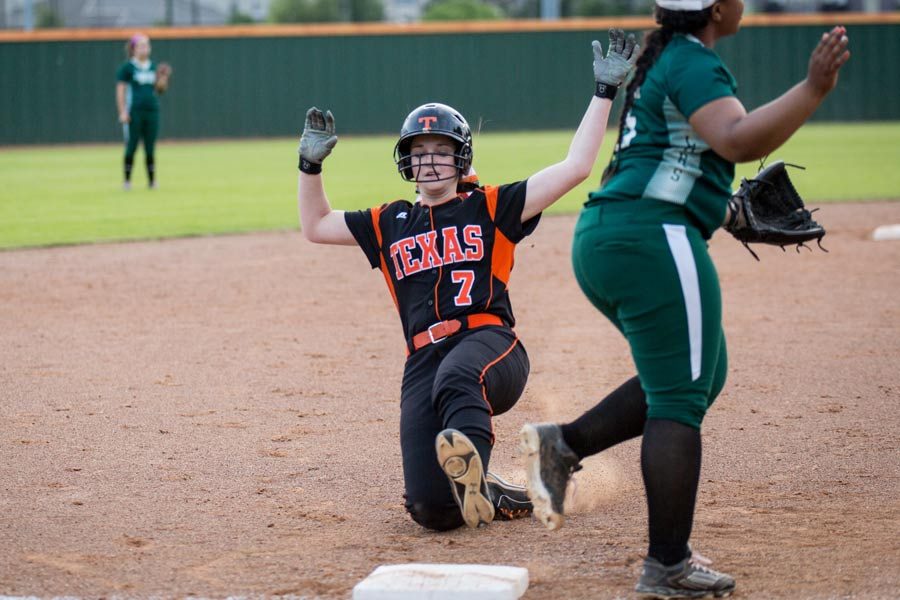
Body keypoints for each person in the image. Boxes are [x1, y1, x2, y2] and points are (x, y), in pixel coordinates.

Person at [520, 0, 850, 596]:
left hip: (611, 238)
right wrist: (812, 88)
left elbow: (670, 163)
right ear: (719, 9)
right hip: (653, 240)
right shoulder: (694, 62)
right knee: (681, 394)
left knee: (701, 372)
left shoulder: (666, 60)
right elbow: (737, 138)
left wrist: (720, 208)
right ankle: (668, 563)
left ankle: (562, 445)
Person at [296, 31, 638, 531]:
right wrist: (310, 166)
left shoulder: (491, 206)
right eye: (419, 149)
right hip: (421, 362)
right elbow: (316, 227)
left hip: (491, 346)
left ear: (461, 157)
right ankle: (495, 493)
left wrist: (603, 92)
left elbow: (575, 168)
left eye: (441, 148)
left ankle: (472, 471)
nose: (429, 158)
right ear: (405, 160)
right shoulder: (388, 222)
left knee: (459, 375)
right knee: (431, 512)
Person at [115, 33, 172, 190]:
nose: (145, 49)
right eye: (141, 45)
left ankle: (152, 181)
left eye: (147, 45)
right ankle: (127, 181)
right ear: (133, 49)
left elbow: (159, 90)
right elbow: (120, 91)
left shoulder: (153, 67)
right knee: (131, 146)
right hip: (134, 111)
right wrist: (123, 112)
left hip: (152, 111)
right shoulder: (127, 68)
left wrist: (163, 79)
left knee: (150, 147)